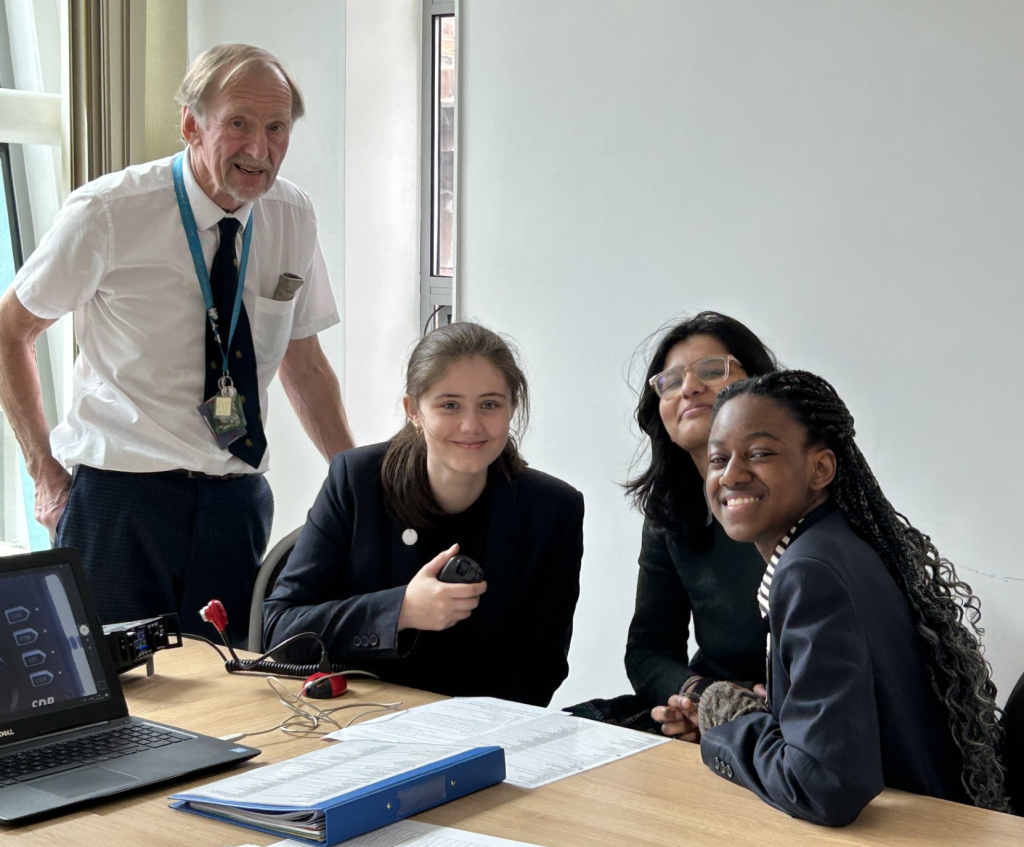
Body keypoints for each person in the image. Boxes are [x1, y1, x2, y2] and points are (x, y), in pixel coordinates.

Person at [0, 44, 354, 637]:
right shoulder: (109, 213)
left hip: (234, 504)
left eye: (275, 128)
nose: (259, 149)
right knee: (119, 704)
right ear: (191, 123)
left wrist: (357, 483)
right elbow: (11, 330)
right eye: (238, 123)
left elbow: (305, 363)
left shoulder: (292, 215)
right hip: (119, 502)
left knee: (229, 698)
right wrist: (44, 473)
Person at [699, 370, 1009, 825]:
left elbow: (824, 783)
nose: (732, 475)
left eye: (760, 453)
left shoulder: (808, 571)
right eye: (717, 459)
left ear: (821, 468)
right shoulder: (838, 543)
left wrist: (731, 725)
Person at [263, 322, 584, 707]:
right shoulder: (357, 480)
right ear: (413, 410)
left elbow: (541, 667)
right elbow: (279, 631)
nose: (471, 425)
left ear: (511, 408)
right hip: (356, 720)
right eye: (449, 405)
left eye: (490, 404)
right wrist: (401, 610)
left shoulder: (553, 508)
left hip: (480, 734)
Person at [579, 313, 776, 737]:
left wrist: (739, 712)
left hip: (799, 721)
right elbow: (649, 649)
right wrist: (701, 701)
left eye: (712, 370)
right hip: (710, 708)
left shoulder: (804, 498)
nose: (689, 387)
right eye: (670, 381)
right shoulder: (669, 510)